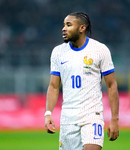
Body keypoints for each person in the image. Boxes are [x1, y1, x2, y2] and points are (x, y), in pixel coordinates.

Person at [45, 12, 119, 150]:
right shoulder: (58, 52)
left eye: (69, 25)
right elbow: (54, 86)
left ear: (82, 28)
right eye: (63, 25)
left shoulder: (100, 50)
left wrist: (114, 119)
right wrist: (48, 113)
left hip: (92, 114)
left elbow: (111, 85)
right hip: (68, 117)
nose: (64, 28)